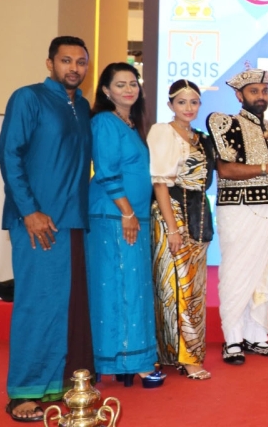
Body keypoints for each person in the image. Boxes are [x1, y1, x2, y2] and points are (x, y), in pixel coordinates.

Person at [0, 36, 95, 421]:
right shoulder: (29, 98)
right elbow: (8, 155)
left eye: (81, 62)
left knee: (63, 306)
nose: (74, 68)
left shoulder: (82, 106)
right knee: (37, 305)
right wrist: (30, 211)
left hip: (72, 221)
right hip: (38, 221)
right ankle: (23, 390)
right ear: (50, 63)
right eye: (66, 60)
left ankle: (54, 384)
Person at [85, 62, 165, 388]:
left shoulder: (130, 123)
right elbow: (105, 171)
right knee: (119, 289)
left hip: (131, 218)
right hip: (114, 217)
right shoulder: (105, 122)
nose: (129, 89)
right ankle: (127, 361)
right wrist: (128, 213)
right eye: (120, 84)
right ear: (106, 90)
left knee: (131, 288)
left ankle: (132, 359)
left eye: (133, 83)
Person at [206, 68, 268, 364]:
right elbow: (225, 169)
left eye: (264, 91)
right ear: (239, 95)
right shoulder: (225, 123)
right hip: (239, 208)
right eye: (254, 91)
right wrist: (264, 169)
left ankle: (257, 336)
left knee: (263, 271)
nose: (260, 96)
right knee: (236, 271)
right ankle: (232, 339)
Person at [148, 79, 216, 380]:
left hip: (199, 215)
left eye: (194, 102)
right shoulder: (162, 132)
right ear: (170, 105)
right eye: (181, 102)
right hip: (171, 215)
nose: (188, 108)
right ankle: (184, 357)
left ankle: (184, 352)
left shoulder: (200, 137)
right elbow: (160, 183)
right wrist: (172, 229)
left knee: (195, 288)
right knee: (175, 287)